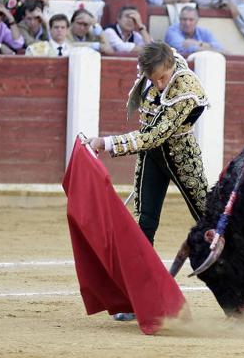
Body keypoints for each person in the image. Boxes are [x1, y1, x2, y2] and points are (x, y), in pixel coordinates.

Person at [85, 42, 210, 320]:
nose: (160, 83)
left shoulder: (186, 88)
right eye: (154, 79)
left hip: (181, 157)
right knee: (143, 225)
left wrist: (106, 142)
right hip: (150, 158)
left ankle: (243, 296)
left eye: (163, 77)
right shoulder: (149, 76)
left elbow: (155, 135)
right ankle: (138, 301)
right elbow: (148, 137)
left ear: (170, 66)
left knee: (210, 221)